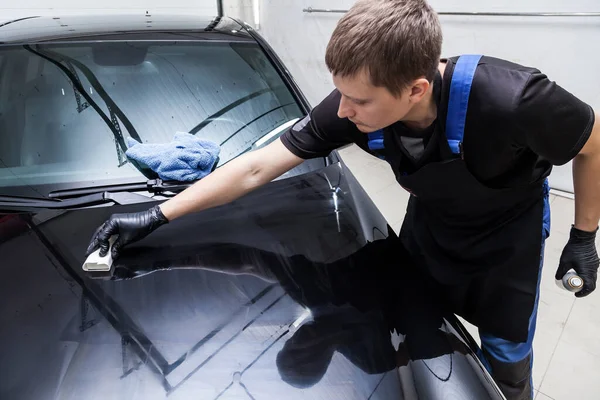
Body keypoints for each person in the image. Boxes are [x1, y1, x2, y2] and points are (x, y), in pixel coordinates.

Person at [85, 0, 600, 399]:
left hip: (505, 246)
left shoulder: (516, 99)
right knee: (425, 326)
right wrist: (157, 214)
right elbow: (260, 166)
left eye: (359, 100)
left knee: (506, 357)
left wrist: (584, 235)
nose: (343, 111)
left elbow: (593, 144)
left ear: (416, 88)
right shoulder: (350, 108)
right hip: (431, 230)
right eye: (340, 94)